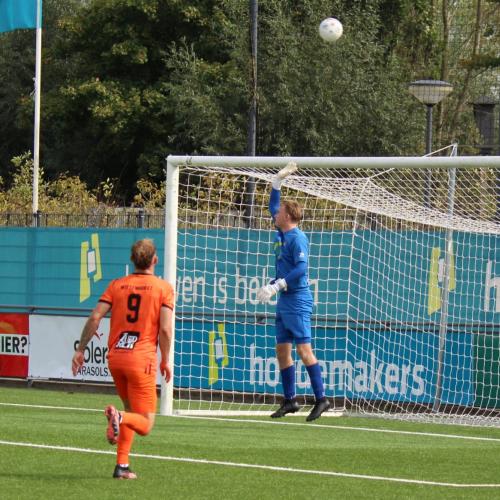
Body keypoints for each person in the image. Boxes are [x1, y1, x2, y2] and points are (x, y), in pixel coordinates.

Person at [71, 238, 173, 479]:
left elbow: (95, 317)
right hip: (141, 360)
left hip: (116, 358)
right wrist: (165, 359)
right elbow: (165, 329)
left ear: (132, 260)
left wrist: (80, 349)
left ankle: (122, 466)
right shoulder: (163, 288)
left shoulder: (117, 285)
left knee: (129, 409)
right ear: (155, 260)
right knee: (145, 424)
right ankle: (118, 417)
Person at [257, 162, 330, 422]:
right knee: (282, 351)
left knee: (304, 351)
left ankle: (322, 399)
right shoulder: (282, 231)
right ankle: (290, 400)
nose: (275, 214)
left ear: (288, 216)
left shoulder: (298, 238)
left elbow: (301, 269)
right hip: (285, 301)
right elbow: (272, 205)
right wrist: (277, 181)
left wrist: (277, 285)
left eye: (280, 212)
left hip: (297, 300)